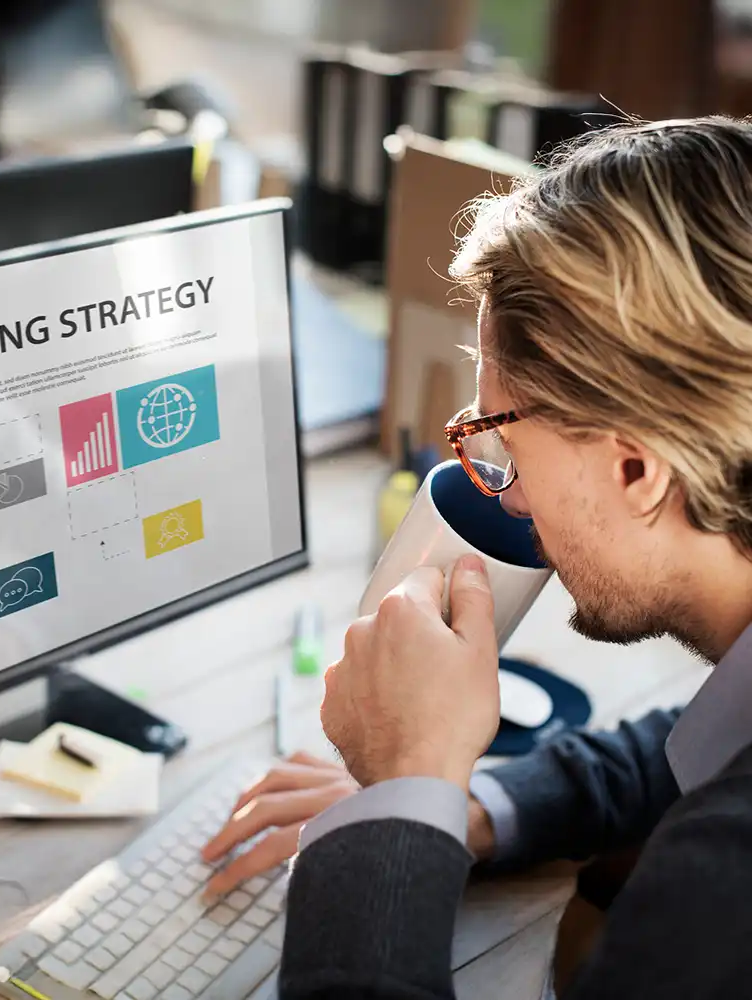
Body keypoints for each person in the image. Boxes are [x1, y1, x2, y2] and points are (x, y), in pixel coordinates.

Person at [203, 116, 752, 997]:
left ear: (638, 469)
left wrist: (405, 781)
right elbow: (696, 742)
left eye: (502, 442)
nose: (507, 492)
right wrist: (468, 808)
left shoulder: (722, 901)